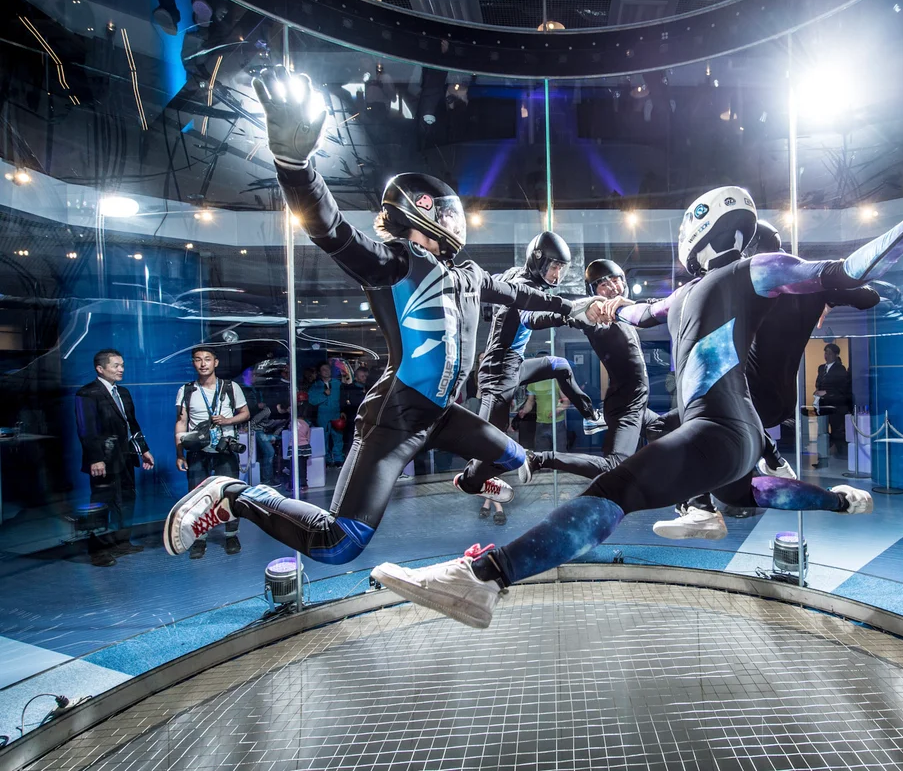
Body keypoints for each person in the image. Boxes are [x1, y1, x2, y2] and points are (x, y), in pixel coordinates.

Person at [372, 151, 903, 628]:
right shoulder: (686, 294)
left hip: (718, 428)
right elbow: (636, 313)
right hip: (735, 435)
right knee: (748, 490)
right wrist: (599, 306)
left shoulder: (752, 270)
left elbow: (843, 271)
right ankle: (836, 501)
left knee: (613, 491)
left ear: (699, 231)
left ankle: (484, 579)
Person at [162, 65, 608, 565]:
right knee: (339, 543)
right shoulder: (395, 262)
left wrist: (574, 306)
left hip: (440, 413)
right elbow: (330, 229)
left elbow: (520, 294)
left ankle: (473, 481)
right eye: (445, 210)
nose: (453, 219)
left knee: (516, 458)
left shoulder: (466, 273)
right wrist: (295, 165)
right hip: (396, 417)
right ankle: (235, 495)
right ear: (421, 211)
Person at [655, 221, 883, 526]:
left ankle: (702, 504)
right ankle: (774, 462)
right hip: (781, 402)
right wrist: (829, 296)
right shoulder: (807, 283)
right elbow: (870, 296)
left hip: (750, 397)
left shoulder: (752, 285)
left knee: (677, 427)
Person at [458, 232, 605, 501]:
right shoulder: (524, 286)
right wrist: (568, 317)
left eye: (562, 268)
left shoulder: (515, 274)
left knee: (560, 366)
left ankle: (592, 418)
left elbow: (498, 286)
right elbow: (531, 317)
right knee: (493, 445)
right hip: (499, 372)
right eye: (554, 267)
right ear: (539, 261)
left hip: (513, 363)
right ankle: (470, 481)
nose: (557, 275)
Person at [519, 259, 661, 482]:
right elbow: (568, 310)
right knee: (614, 467)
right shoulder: (595, 316)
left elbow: (659, 310)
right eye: (603, 285)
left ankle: (691, 497)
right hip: (627, 405)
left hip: (637, 404)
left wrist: (630, 303)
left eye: (615, 281)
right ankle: (539, 459)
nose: (612, 288)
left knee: (676, 432)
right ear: (594, 292)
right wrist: (584, 306)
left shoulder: (625, 311)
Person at [74, 349, 154, 567]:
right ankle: (98, 551)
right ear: (100, 369)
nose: (121, 369)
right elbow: (86, 429)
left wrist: (143, 450)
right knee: (102, 504)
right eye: (116, 365)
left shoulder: (123, 393)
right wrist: (95, 458)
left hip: (126, 456)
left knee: (127, 500)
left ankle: (121, 542)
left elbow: (132, 424)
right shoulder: (87, 393)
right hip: (103, 460)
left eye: (122, 365)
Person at [174, 346, 249, 558]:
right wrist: (179, 453)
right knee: (196, 497)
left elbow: (245, 413)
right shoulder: (187, 390)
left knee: (230, 494)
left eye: (207, 359)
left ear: (215, 362)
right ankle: (199, 538)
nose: (203, 363)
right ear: (193, 363)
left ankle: (231, 535)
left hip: (225, 448)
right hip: (198, 450)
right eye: (198, 359)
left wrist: (227, 420)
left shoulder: (230, 387)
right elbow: (181, 423)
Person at [814, 343, 852, 461]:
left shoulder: (840, 369)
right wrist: (818, 391)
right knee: (822, 431)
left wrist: (826, 392)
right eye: (826, 353)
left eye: (830, 353)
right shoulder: (821, 368)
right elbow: (818, 383)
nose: (827, 355)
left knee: (837, 430)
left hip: (835, 406)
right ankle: (823, 455)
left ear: (836, 355)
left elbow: (842, 389)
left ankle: (841, 454)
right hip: (822, 405)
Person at [242, 367, 278, 485]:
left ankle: (265, 478)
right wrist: (257, 406)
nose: (254, 377)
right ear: (245, 377)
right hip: (252, 426)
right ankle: (267, 479)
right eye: (252, 375)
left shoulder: (256, 389)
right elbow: (245, 410)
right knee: (268, 452)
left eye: (255, 375)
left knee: (264, 454)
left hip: (259, 426)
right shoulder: (244, 390)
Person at [308, 362, 344, 467]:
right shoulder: (315, 386)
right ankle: (327, 459)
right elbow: (312, 400)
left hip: (336, 413)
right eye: (324, 369)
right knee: (324, 438)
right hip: (323, 415)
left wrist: (343, 411)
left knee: (338, 437)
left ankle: (338, 459)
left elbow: (343, 398)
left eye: (328, 369)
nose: (327, 371)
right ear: (320, 372)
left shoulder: (338, 383)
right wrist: (324, 394)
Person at [340, 364, 369, 459]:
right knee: (352, 438)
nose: (364, 378)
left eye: (366, 376)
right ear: (356, 377)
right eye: (362, 376)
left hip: (367, 418)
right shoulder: (350, 389)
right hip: (353, 417)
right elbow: (352, 402)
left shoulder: (369, 388)